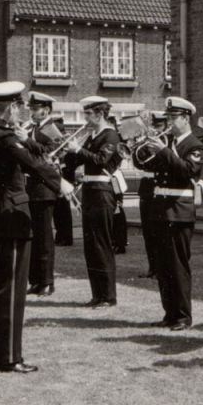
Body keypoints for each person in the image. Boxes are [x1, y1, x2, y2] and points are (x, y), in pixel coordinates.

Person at [0, 81, 73, 372]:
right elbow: (33, 165)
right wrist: (61, 183)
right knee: (12, 290)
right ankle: (10, 358)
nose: (21, 112)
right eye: (19, 107)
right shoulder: (4, 137)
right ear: (12, 107)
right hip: (12, 220)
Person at [136, 97, 203, 330]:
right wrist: (142, 146)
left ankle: (183, 315)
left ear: (185, 119)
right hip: (160, 211)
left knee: (178, 266)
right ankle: (170, 314)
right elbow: (144, 165)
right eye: (168, 118)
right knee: (163, 266)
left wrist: (164, 151)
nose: (169, 123)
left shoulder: (194, 145)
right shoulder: (166, 142)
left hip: (180, 211)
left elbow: (188, 170)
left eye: (173, 118)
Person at [64, 96, 122, 308]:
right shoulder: (93, 135)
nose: (85, 118)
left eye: (89, 114)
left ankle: (108, 295)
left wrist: (78, 149)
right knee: (90, 246)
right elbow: (79, 160)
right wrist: (69, 152)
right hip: (89, 191)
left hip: (102, 191)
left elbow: (100, 160)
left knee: (102, 244)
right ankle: (97, 294)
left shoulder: (111, 136)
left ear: (100, 114)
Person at [18, 92, 60, 297]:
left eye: (36, 109)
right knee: (33, 236)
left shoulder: (51, 128)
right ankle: (35, 280)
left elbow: (50, 153)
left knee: (43, 238)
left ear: (47, 110)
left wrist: (25, 140)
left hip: (44, 188)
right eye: (31, 109)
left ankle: (46, 281)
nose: (32, 112)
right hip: (31, 187)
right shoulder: (33, 128)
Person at [137, 111, 167, 278]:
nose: (156, 129)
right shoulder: (148, 142)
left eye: (159, 126)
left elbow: (162, 163)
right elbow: (139, 163)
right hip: (146, 189)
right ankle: (152, 267)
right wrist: (138, 146)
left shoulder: (167, 143)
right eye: (154, 126)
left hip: (159, 188)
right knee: (148, 231)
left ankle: (161, 268)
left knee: (159, 232)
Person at [108, 115, 128, 255]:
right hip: (108, 177)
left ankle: (120, 242)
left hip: (114, 177)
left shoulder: (117, 141)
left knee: (117, 209)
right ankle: (114, 240)